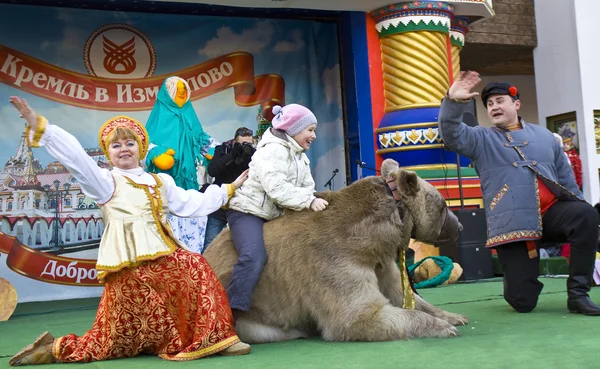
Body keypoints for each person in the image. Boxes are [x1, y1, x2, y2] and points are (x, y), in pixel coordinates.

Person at [8, 96, 251, 367]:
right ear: (108, 152)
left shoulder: (160, 181)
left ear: (141, 148)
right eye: (116, 145)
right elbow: (76, 157)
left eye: (129, 143)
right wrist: (40, 126)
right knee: (113, 341)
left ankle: (214, 336)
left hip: (164, 258)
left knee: (194, 266)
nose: (124, 149)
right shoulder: (104, 182)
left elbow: (191, 203)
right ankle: (52, 349)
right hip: (129, 267)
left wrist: (228, 188)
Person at [438, 71, 600, 316]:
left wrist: (580, 205)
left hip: (551, 214)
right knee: (523, 303)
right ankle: (521, 278)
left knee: (585, 214)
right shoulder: (480, 138)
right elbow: (451, 133)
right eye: (490, 104)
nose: (494, 107)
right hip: (513, 224)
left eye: (500, 101)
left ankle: (578, 294)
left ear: (516, 104)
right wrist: (453, 101)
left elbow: (566, 181)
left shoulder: (545, 136)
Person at [225, 104, 328, 317]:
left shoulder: (300, 155)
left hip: (275, 214)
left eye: (314, 130)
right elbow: (277, 189)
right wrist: (308, 201)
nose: (314, 136)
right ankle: (229, 315)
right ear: (293, 129)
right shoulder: (271, 151)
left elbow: (307, 186)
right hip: (248, 212)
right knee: (253, 257)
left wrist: (312, 199)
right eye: (310, 130)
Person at [144, 76, 220, 254]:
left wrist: (214, 149)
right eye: (176, 89)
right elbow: (144, 145)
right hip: (163, 192)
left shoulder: (189, 115)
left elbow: (201, 138)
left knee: (193, 241)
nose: (181, 92)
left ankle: (193, 271)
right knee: (168, 241)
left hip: (189, 187)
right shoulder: (158, 116)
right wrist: (155, 154)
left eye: (184, 90)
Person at [203, 127, 255, 251]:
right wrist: (232, 155)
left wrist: (251, 156)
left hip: (241, 205)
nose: (246, 147)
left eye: (249, 144)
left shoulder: (254, 153)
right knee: (210, 243)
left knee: (244, 244)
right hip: (221, 205)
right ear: (235, 142)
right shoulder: (223, 149)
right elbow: (212, 171)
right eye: (243, 144)